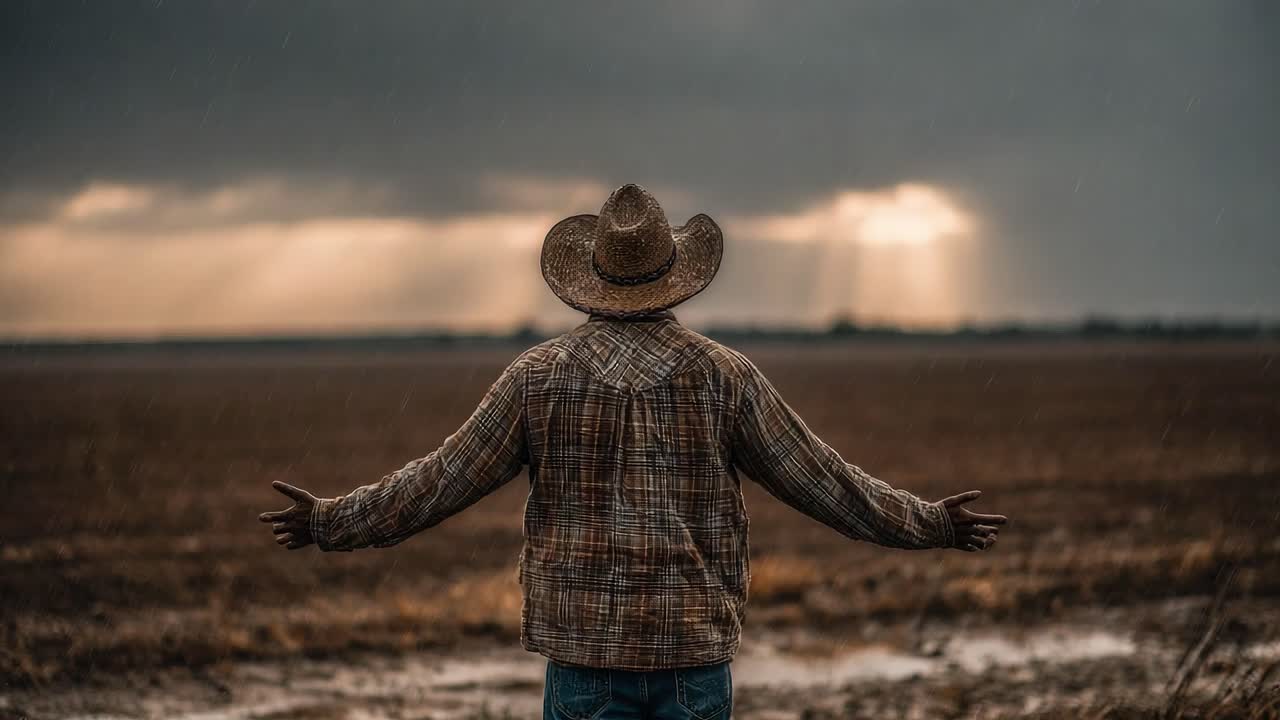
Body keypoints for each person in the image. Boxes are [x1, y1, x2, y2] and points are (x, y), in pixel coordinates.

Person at [259, 184, 1007, 719]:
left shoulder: (537, 379)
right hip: (692, 664)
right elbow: (826, 483)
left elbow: (440, 481)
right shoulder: (724, 376)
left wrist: (333, 519)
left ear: (592, 281)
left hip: (584, 666)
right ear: (673, 279)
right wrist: (929, 522)